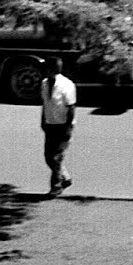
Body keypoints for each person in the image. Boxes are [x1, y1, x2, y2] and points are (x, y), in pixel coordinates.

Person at [37, 56, 76, 196]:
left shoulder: (67, 85)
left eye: (45, 68)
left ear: (51, 70)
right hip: (50, 124)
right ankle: (65, 178)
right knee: (48, 157)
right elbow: (45, 104)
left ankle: (56, 186)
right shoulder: (44, 84)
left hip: (63, 126)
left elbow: (71, 108)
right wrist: (43, 120)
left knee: (57, 158)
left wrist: (68, 128)